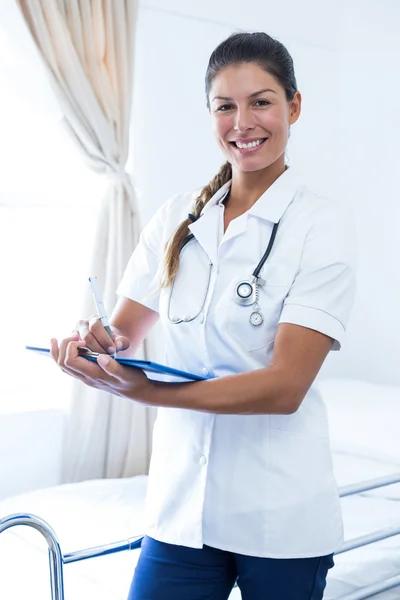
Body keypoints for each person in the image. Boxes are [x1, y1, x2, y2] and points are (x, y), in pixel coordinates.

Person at [50, 31, 357, 600]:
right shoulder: (177, 218)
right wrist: (95, 348)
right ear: (210, 114)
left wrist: (147, 394)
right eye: (226, 106)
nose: (243, 121)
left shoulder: (321, 224)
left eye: (262, 101)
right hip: (180, 508)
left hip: (279, 513)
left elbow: (285, 387)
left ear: (294, 105)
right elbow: (124, 331)